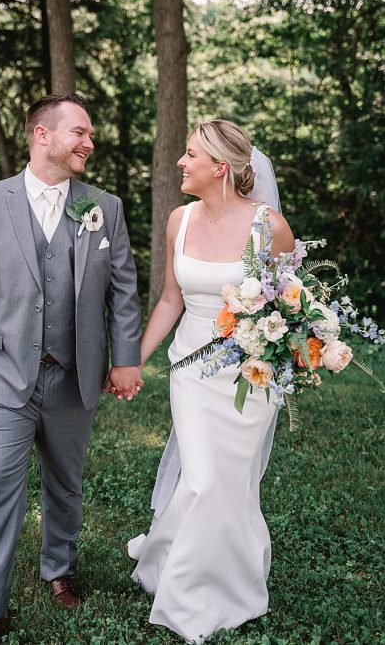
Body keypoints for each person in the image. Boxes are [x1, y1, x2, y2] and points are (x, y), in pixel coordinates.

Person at [0, 93, 143, 645]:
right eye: (79, 132)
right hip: (1, 372)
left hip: (74, 374)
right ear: (42, 135)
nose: (89, 142)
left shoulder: (105, 206)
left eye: (90, 134)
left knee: (66, 482)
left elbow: (124, 294)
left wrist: (124, 360)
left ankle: (59, 570)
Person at [126, 120, 294, 642]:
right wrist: (130, 360)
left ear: (220, 167)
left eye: (190, 154)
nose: (180, 161)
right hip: (193, 371)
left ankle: (226, 581)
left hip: (250, 373)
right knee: (200, 477)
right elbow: (171, 301)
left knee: (231, 482)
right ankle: (188, 592)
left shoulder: (271, 227)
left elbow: (293, 306)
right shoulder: (179, 220)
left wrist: (295, 345)